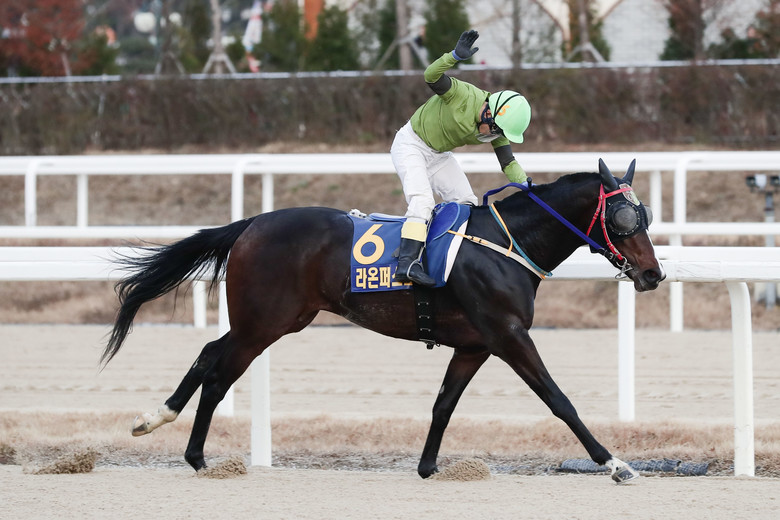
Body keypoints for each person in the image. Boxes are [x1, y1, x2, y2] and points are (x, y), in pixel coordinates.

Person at [391, 29, 532, 287]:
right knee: (422, 200)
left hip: (438, 155)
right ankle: (407, 263)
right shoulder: (462, 95)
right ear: (489, 112)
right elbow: (430, 76)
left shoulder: (496, 126)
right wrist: (454, 56)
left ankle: (443, 253)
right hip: (410, 145)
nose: (496, 137)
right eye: (497, 130)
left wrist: (527, 185)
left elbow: (508, 163)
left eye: (501, 134)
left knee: (466, 202)